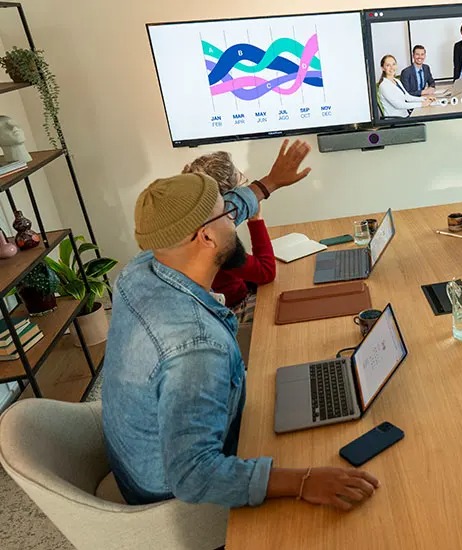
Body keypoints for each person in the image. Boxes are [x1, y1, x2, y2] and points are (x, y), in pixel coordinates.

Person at [103, 139, 380, 511]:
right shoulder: (196, 346)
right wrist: (302, 480)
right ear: (206, 237)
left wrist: (269, 183)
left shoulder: (142, 267)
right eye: (225, 216)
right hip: (167, 493)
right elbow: (193, 476)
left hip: (138, 452)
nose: (234, 219)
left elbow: (231, 205)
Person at [182, 151, 274, 317]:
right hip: (232, 309)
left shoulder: (191, 226)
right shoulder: (216, 239)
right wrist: (256, 219)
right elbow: (266, 272)